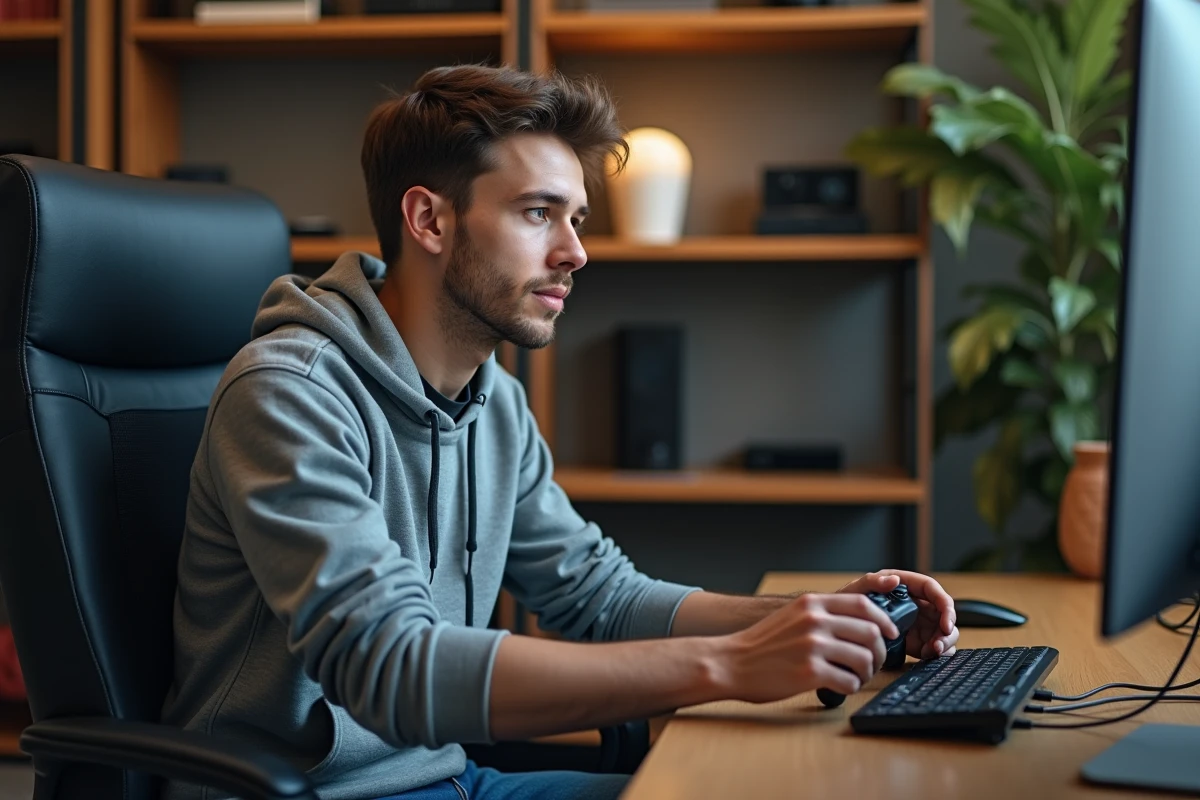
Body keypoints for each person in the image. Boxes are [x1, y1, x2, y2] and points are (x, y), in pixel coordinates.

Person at [161, 64, 960, 800]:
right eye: (538, 213)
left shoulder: (493, 401)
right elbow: (392, 667)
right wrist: (726, 665)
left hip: (449, 780)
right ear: (428, 220)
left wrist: (809, 617)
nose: (575, 252)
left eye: (575, 219)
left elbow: (596, 597)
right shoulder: (290, 393)